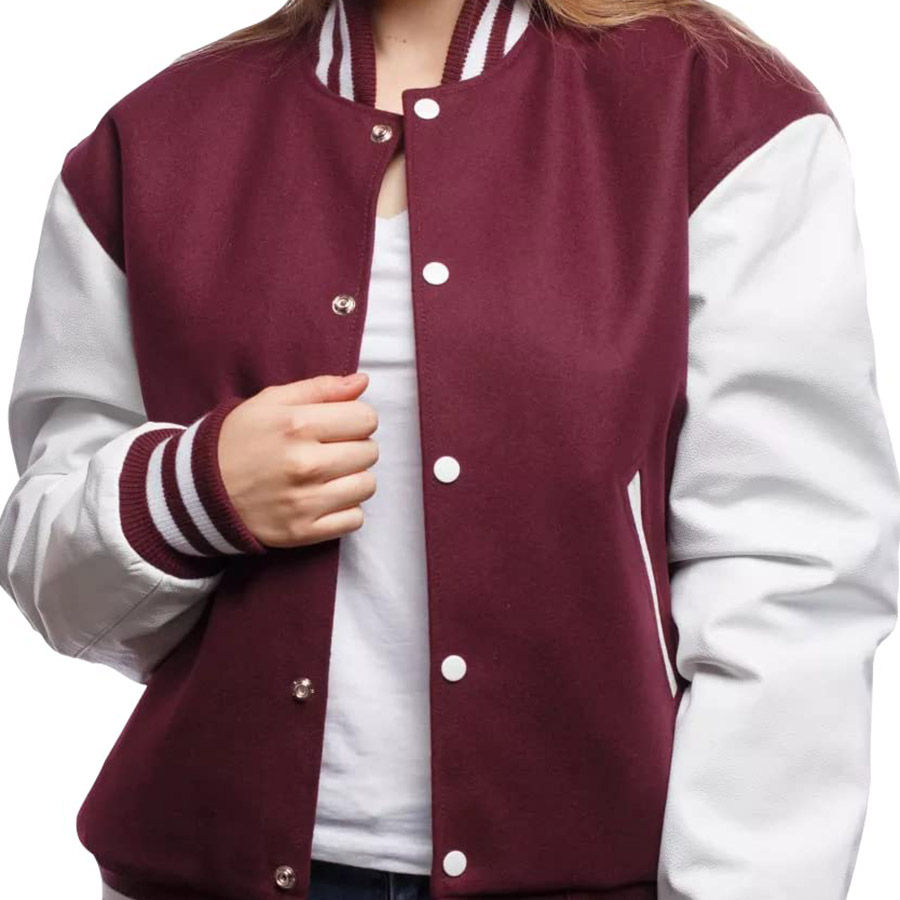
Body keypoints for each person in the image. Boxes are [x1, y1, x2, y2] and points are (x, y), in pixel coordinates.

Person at [1, 0, 898, 898]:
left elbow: (794, 573)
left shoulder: (720, 111)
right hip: (200, 870)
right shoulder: (152, 138)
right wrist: (194, 490)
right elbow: (51, 571)